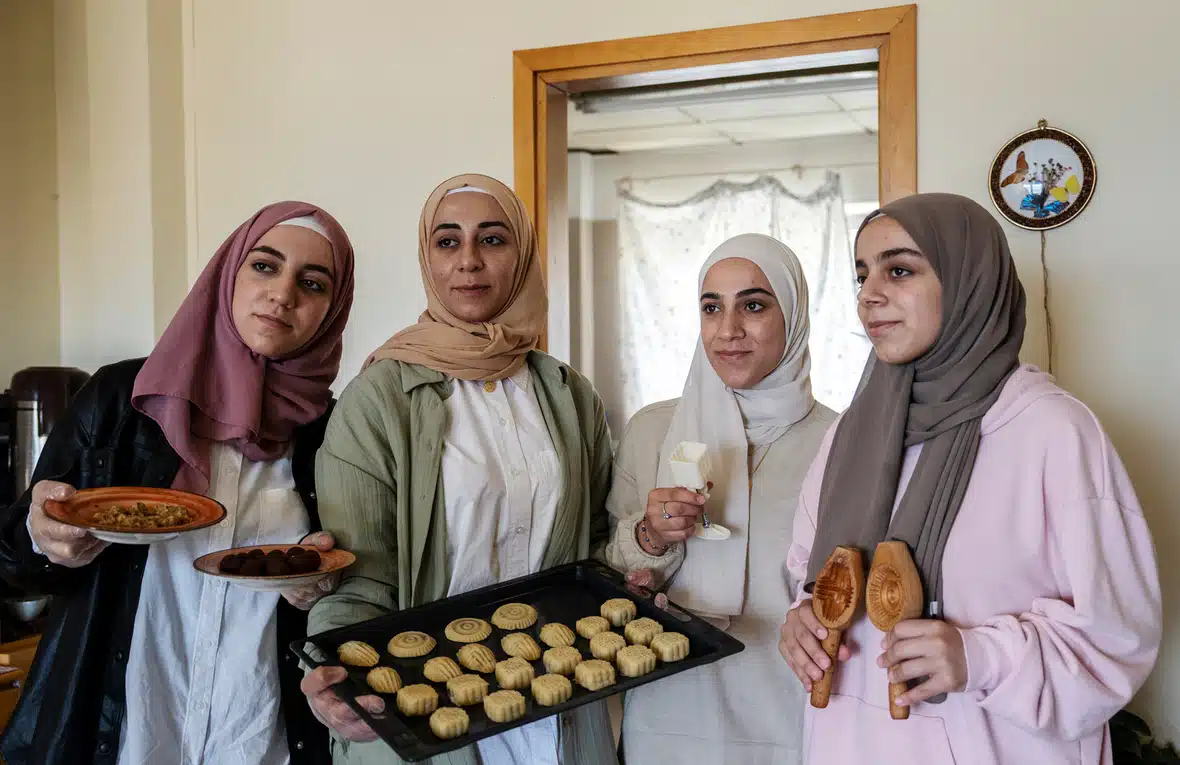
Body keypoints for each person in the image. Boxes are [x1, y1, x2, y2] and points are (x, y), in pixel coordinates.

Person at [778, 193, 1162, 765]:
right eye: (862, 275)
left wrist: (977, 657)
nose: (868, 296)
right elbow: (809, 575)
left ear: (969, 283)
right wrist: (800, 622)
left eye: (900, 270)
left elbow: (1116, 637)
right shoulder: (852, 435)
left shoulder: (1051, 433)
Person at [0, 202, 356, 765]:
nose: (283, 294)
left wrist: (319, 590)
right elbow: (9, 564)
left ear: (331, 311)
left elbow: (349, 592)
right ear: (227, 273)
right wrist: (45, 538)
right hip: (120, 730)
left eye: (312, 283)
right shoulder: (123, 399)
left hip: (257, 732)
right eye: (264, 266)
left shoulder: (332, 433)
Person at [301, 174, 618, 765]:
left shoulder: (569, 394)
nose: (469, 261)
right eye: (448, 242)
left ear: (521, 254)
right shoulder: (380, 398)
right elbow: (359, 574)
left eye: (492, 240)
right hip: (425, 705)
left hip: (558, 699)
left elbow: (596, 544)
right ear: (427, 256)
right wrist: (335, 671)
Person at [602, 233, 835, 764]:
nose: (728, 330)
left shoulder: (841, 442)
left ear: (794, 316)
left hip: (791, 714)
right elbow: (606, 573)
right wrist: (650, 537)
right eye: (712, 308)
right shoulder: (651, 431)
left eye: (753, 306)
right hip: (667, 714)